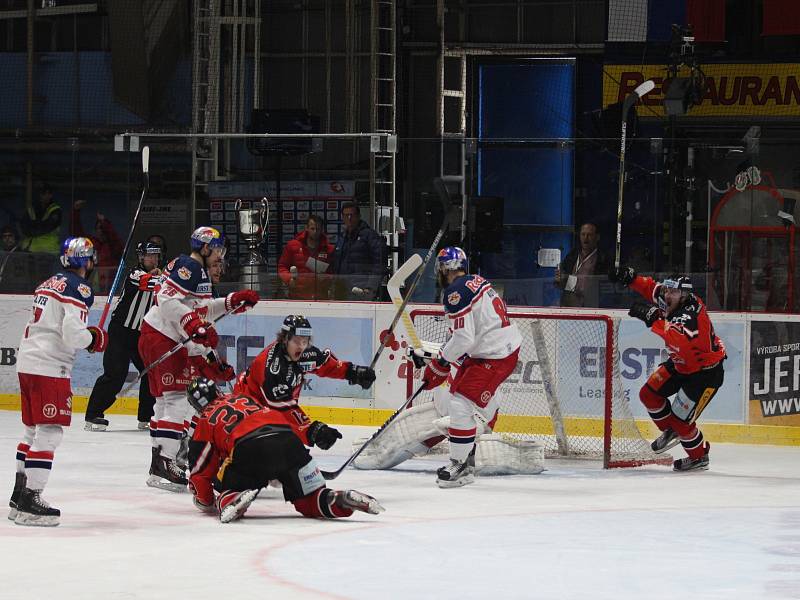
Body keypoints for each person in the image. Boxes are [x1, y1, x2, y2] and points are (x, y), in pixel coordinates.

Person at [138, 226, 259, 492]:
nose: (220, 256)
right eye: (217, 250)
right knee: (176, 401)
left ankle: (159, 463)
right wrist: (191, 322)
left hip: (160, 336)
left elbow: (201, 310)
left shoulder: (198, 272)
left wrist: (231, 302)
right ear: (204, 247)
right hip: (162, 337)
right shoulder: (188, 266)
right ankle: (166, 461)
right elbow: (166, 301)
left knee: (164, 403)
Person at [7, 237, 108, 526]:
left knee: (31, 433)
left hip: (27, 362)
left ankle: (19, 496)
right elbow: (72, 335)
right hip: (50, 367)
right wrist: (94, 339)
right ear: (85, 261)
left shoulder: (47, 282)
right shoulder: (79, 287)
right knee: (49, 434)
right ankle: (31, 499)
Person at [186, 378, 384, 523]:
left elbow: (200, 471)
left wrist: (206, 500)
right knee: (309, 500)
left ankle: (231, 497)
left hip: (251, 448)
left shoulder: (206, 419)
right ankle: (339, 498)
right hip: (289, 442)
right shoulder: (244, 399)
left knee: (225, 484)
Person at [415, 246, 521, 488]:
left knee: (461, 404)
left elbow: (464, 339)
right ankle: (467, 459)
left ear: (443, 269)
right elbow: (469, 336)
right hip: (494, 349)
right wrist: (442, 362)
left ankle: (461, 467)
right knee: (459, 397)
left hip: (495, 355)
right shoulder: (476, 280)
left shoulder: (454, 293)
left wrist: (440, 362)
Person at [609, 267, 726, 471]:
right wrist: (631, 278)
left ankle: (699, 457)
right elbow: (652, 289)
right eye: (667, 291)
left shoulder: (690, 316)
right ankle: (671, 429)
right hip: (681, 364)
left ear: (684, 295)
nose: (666, 295)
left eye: (672, 292)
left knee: (683, 424)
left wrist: (653, 318)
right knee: (649, 394)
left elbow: (678, 339)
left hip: (704, 374)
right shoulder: (674, 298)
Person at [84, 241, 163, 432]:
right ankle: (93, 415)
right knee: (115, 374)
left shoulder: (158, 276)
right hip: (120, 331)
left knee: (150, 372)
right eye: (149, 256)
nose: (153, 259)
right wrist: (167, 277)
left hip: (140, 334)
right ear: (141, 257)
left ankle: (146, 417)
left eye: (155, 256)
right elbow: (149, 284)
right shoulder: (135, 274)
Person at [234, 315, 376, 418]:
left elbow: (327, 366)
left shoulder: (304, 353)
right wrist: (311, 430)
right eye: (296, 341)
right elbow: (282, 410)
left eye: (305, 341)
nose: (301, 346)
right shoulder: (272, 368)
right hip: (246, 404)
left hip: (274, 407)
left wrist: (353, 372)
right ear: (285, 339)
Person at [331, 202, 385, 301]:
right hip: (341, 290)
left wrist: (371, 287)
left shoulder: (370, 236)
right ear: (342, 217)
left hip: (361, 291)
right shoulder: (342, 237)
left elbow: (379, 262)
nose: (349, 218)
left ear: (359, 216)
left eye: (352, 215)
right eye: (346, 215)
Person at [71, 200, 124, 292]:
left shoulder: (113, 245)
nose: (100, 231)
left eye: (102, 228)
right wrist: (76, 211)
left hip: (110, 286)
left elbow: (114, 238)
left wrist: (104, 222)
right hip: (91, 284)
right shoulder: (92, 243)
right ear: (95, 230)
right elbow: (77, 233)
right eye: (98, 228)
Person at [278, 215, 335, 300]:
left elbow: (334, 273)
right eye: (312, 228)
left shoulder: (329, 249)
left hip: (320, 297)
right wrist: (289, 279)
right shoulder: (293, 246)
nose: (315, 232)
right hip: (297, 297)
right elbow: (282, 266)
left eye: (318, 229)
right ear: (306, 228)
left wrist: (326, 279)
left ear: (322, 230)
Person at [554, 222, 610, 308]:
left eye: (589, 235)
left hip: (589, 308)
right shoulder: (572, 256)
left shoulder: (603, 260)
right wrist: (558, 280)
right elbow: (560, 283)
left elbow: (606, 290)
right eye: (583, 234)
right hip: (567, 306)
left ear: (597, 237)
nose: (585, 238)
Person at [20, 184, 62, 254]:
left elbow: (47, 227)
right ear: (40, 195)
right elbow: (24, 226)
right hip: (29, 250)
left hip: (48, 250)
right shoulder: (32, 209)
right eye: (44, 193)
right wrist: (38, 225)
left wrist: (33, 225)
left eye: (49, 193)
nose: (46, 196)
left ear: (51, 195)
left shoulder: (55, 210)